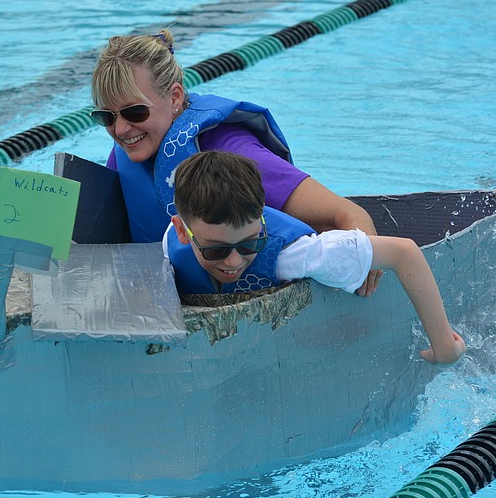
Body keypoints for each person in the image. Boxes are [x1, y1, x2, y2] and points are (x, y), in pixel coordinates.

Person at [90, 29, 384, 297]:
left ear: (175, 96)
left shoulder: (230, 155)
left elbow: (346, 214)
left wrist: (364, 271)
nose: (121, 130)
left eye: (135, 112)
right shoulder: (125, 156)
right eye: (107, 117)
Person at [164, 151, 466, 365]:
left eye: (248, 244)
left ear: (262, 224)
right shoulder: (171, 244)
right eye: (216, 250)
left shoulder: (296, 254)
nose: (233, 261)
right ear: (182, 231)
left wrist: (445, 348)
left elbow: (405, 252)